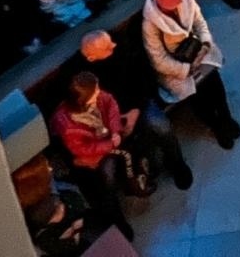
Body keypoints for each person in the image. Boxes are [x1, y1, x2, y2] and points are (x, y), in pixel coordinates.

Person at [71, 30, 193, 191]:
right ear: (91, 58)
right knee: (107, 170)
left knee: (160, 124)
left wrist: (135, 110)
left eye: (111, 42)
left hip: (138, 103)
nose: (114, 45)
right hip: (110, 120)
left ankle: (178, 165)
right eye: (108, 48)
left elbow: (145, 79)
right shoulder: (82, 76)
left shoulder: (124, 48)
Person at [141, 0, 240, 148]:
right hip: (177, 67)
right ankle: (216, 126)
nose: (179, 6)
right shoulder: (150, 25)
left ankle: (226, 117)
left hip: (196, 51)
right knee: (197, 96)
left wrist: (206, 44)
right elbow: (158, 59)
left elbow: (199, 22)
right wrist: (186, 69)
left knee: (214, 81)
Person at [49, 72, 137, 242]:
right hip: (88, 159)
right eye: (95, 91)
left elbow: (110, 104)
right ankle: (120, 223)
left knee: (123, 157)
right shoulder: (66, 126)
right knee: (106, 185)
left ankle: (132, 183)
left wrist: (115, 129)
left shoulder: (96, 95)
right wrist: (111, 143)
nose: (99, 92)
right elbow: (84, 150)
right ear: (82, 101)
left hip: (106, 138)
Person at [25, 187, 102, 256]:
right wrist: (73, 232)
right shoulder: (45, 238)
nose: (62, 206)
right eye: (59, 207)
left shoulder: (70, 200)